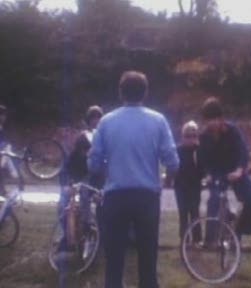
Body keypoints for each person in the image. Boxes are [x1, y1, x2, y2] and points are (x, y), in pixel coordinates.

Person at [88, 71, 179, 288]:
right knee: (148, 259)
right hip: (147, 197)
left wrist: (106, 172)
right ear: (145, 93)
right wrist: (166, 181)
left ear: (121, 93)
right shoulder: (158, 121)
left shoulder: (106, 122)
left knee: (114, 261)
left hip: (115, 197)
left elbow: (93, 164)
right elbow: (173, 161)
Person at [199, 97, 251, 239]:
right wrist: (207, 173)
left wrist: (239, 170)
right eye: (208, 120)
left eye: (215, 119)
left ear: (221, 118)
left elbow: (242, 151)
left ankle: (239, 231)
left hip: (235, 169)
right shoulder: (204, 136)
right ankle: (210, 239)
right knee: (214, 199)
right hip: (217, 172)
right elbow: (203, 159)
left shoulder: (232, 131)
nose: (212, 123)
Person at [57, 105, 104, 251]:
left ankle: (98, 237)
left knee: (101, 204)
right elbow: (67, 167)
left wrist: (102, 189)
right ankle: (68, 235)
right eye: (92, 118)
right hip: (82, 182)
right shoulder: (81, 141)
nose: (95, 121)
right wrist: (67, 184)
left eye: (98, 118)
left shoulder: (105, 140)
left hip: (100, 184)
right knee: (63, 203)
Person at [174, 121, 204, 243]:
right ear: (183, 137)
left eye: (193, 136)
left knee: (194, 211)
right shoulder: (178, 150)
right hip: (180, 185)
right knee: (183, 212)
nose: (190, 139)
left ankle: (197, 239)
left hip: (195, 185)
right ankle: (184, 239)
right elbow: (173, 166)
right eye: (187, 136)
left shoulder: (199, 150)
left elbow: (203, 168)